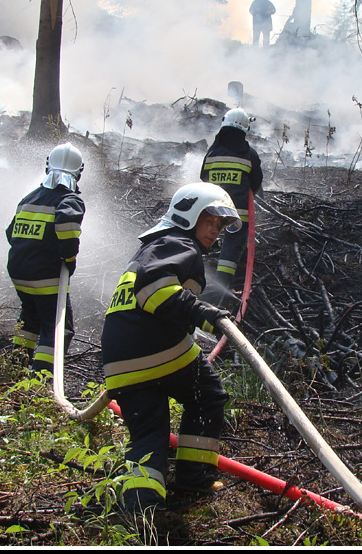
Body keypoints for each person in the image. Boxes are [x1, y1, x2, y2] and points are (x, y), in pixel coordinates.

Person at [101, 182, 241, 516]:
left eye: (220, 225)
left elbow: (165, 300)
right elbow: (156, 293)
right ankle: (194, 478)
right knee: (207, 395)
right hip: (157, 347)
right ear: (188, 214)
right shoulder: (178, 243)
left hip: (119, 360)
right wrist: (202, 313)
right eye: (210, 220)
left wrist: (205, 318)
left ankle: (141, 508)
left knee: (149, 431)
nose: (215, 230)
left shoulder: (154, 249)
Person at [6, 142, 85, 374]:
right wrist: (69, 259)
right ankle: (40, 382)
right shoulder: (69, 199)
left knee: (30, 319)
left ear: (47, 167)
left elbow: (11, 234)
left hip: (19, 274)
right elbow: (67, 226)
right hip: (46, 278)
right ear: (79, 173)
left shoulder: (28, 198)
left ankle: (14, 370)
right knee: (58, 328)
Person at [200, 108, 263, 305]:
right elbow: (256, 182)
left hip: (213, 209)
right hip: (238, 212)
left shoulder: (212, 152)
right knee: (233, 242)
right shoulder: (248, 154)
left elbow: (203, 177)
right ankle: (223, 285)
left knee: (207, 238)